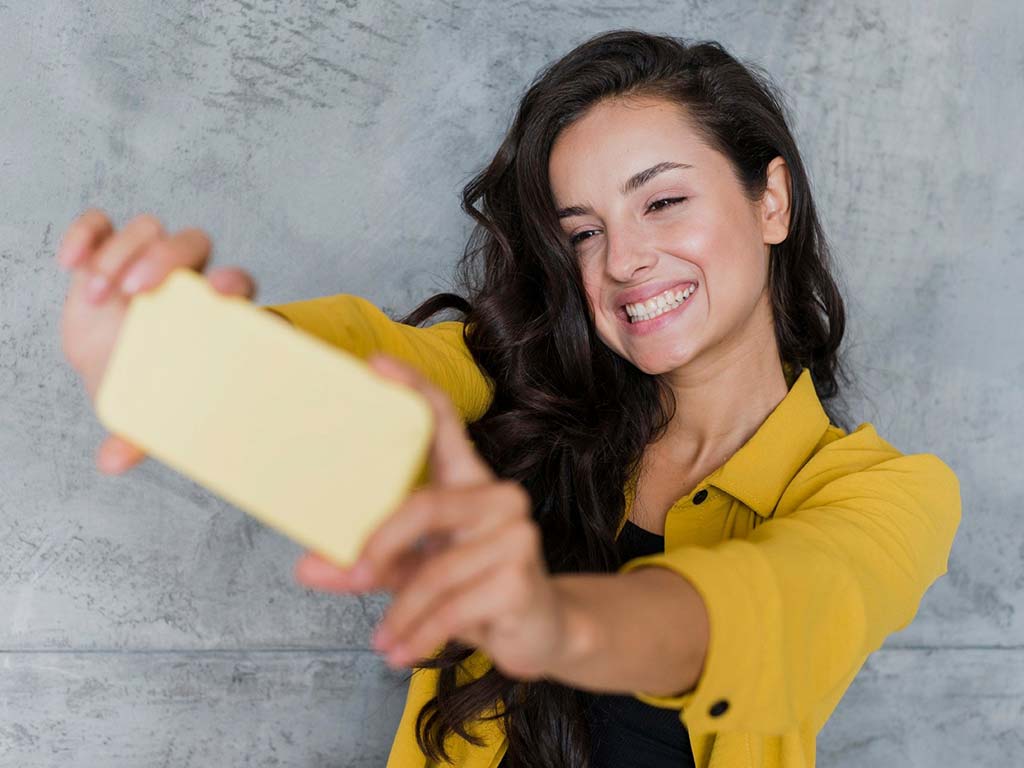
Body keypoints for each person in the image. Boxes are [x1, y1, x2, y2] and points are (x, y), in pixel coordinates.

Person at [58, 29, 961, 768]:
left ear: (772, 202)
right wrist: (170, 347)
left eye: (664, 202)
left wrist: (554, 620)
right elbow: (375, 362)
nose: (623, 260)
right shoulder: (514, 393)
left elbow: (765, 606)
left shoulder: (887, 493)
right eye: (584, 232)